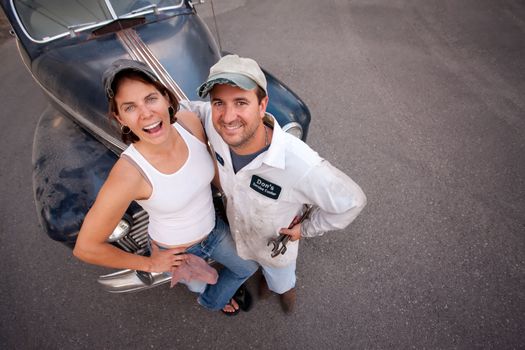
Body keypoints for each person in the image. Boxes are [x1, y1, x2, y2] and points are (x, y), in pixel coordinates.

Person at [181, 54, 367, 313]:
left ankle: (284, 293)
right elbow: (185, 109)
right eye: (219, 103)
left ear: (262, 104)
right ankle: (266, 283)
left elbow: (352, 202)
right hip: (238, 235)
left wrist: (308, 229)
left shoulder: (299, 164)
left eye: (241, 102)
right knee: (249, 265)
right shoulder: (216, 126)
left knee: (280, 282)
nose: (227, 116)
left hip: (275, 248)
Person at [73, 59, 258, 315]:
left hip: (214, 230)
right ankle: (211, 300)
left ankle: (215, 297)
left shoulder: (189, 123)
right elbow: (86, 247)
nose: (146, 113)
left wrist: (245, 197)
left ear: (167, 98)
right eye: (129, 107)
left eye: (150, 98)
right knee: (196, 285)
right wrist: (150, 264)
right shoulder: (128, 173)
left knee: (248, 267)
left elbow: (211, 170)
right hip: (175, 251)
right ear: (120, 118)